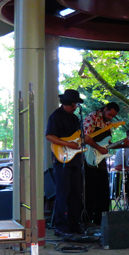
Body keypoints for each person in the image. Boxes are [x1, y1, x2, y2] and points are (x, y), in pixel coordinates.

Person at [45, 89, 84, 237]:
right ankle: (60, 226)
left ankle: (74, 224)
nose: (75, 107)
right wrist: (67, 145)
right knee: (62, 194)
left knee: (76, 193)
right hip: (61, 159)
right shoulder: (55, 116)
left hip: (75, 160)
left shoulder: (75, 119)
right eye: (74, 104)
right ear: (67, 103)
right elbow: (49, 136)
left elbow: (77, 137)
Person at [82, 102, 122, 225]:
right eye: (109, 114)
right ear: (105, 109)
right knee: (90, 190)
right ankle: (87, 219)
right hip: (88, 157)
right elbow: (85, 137)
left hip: (101, 159)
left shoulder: (108, 123)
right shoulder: (92, 117)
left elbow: (107, 143)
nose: (110, 118)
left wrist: (124, 144)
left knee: (104, 190)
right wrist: (98, 148)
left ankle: (101, 220)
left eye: (113, 116)